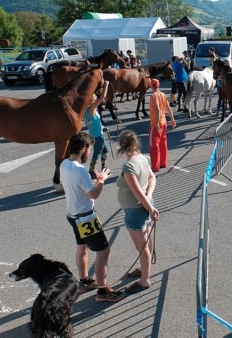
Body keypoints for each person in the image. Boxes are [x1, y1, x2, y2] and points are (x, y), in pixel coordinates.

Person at [60, 132, 123, 303]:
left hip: (72, 214)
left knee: (82, 247)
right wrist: (101, 179)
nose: (90, 154)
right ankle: (103, 291)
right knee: (103, 251)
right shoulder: (81, 171)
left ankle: (84, 281)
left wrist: (94, 181)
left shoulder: (64, 164)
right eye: (90, 149)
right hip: (86, 218)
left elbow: (80, 190)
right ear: (83, 149)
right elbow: (94, 194)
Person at [115, 130, 160, 294]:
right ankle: (143, 269)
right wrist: (149, 199)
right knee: (146, 243)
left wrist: (148, 204)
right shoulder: (143, 158)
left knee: (141, 246)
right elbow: (151, 178)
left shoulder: (128, 166)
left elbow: (136, 193)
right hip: (145, 205)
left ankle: (144, 279)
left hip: (135, 209)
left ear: (123, 146)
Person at [83, 81, 110, 179]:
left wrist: (103, 127)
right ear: (92, 101)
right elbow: (102, 97)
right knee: (97, 153)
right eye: (94, 98)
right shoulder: (91, 108)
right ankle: (91, 170)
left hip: (95, 133)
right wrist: (106, 85)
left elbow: (95, 123)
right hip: (98, 136)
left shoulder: (87, 110)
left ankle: (104, 167)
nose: (96, 99)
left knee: (105, 150)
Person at [148, 78, 176, 172]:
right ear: (158, 85)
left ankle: (155, 167)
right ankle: (163, 163)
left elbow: (157, 109)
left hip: (156, 124)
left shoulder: (153, 96)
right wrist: (172, 119)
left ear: (151, 85)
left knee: (154, 146)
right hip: (163, 122)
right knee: (163, 144)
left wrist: (155, 123)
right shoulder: (163, 94)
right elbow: (168, 108)